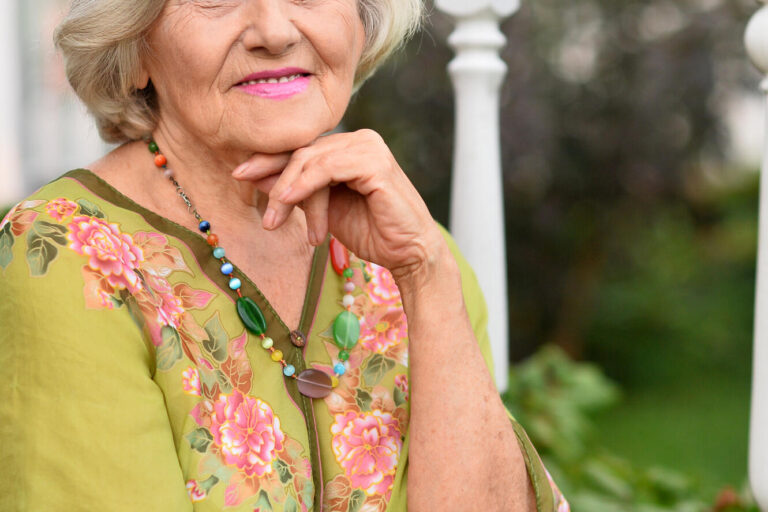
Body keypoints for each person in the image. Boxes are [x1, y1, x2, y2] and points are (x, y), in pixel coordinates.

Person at [0, 1, 569, 510]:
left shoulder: (417, 254)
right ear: (136, 45)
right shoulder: (62, 253)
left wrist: (425, 273)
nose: (273, 29)